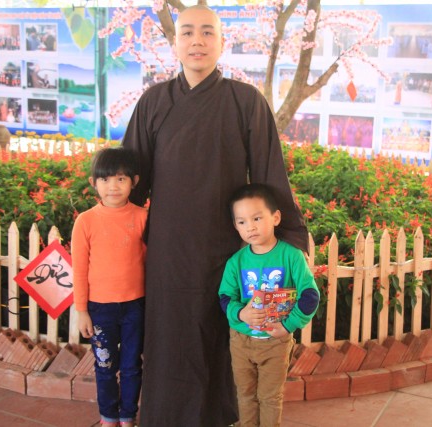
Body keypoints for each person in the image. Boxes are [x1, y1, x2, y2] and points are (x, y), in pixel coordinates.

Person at [121, 5, 308, 426]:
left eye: (208, 32)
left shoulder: (246, 102)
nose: (197, 41)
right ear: (175, 43)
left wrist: (288, 243)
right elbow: (131, 182)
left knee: (225, 338)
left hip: (228, 249)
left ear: (223, 42)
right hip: (169, 251)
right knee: (171, 339)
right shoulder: (154, 102)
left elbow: (269, 177)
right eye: (187, 32)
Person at [218, 183, 319, 427]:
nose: (250, 227)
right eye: (242, 222)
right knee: (245, 395)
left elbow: (310, 295)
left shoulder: (291, 256)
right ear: (235, 226)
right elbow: (225, 297)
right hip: (241, 341)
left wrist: (288, 326)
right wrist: (241, 314)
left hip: (275, 342)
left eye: (256, 218)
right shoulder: (236, 262)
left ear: (275, 217)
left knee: (270, 398)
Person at [72, 147, 148, 427]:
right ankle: (108, 417)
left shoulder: (143, 217)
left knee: (131, 366)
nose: (113, 186)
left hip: (135, 307)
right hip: (99, 309)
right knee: (105, 366)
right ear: (93, 182)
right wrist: (82, 311)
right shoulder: (85, 221)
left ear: (134, 182)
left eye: (120, 179)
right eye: (105, 179)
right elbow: (79, 269)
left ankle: (127, 416)